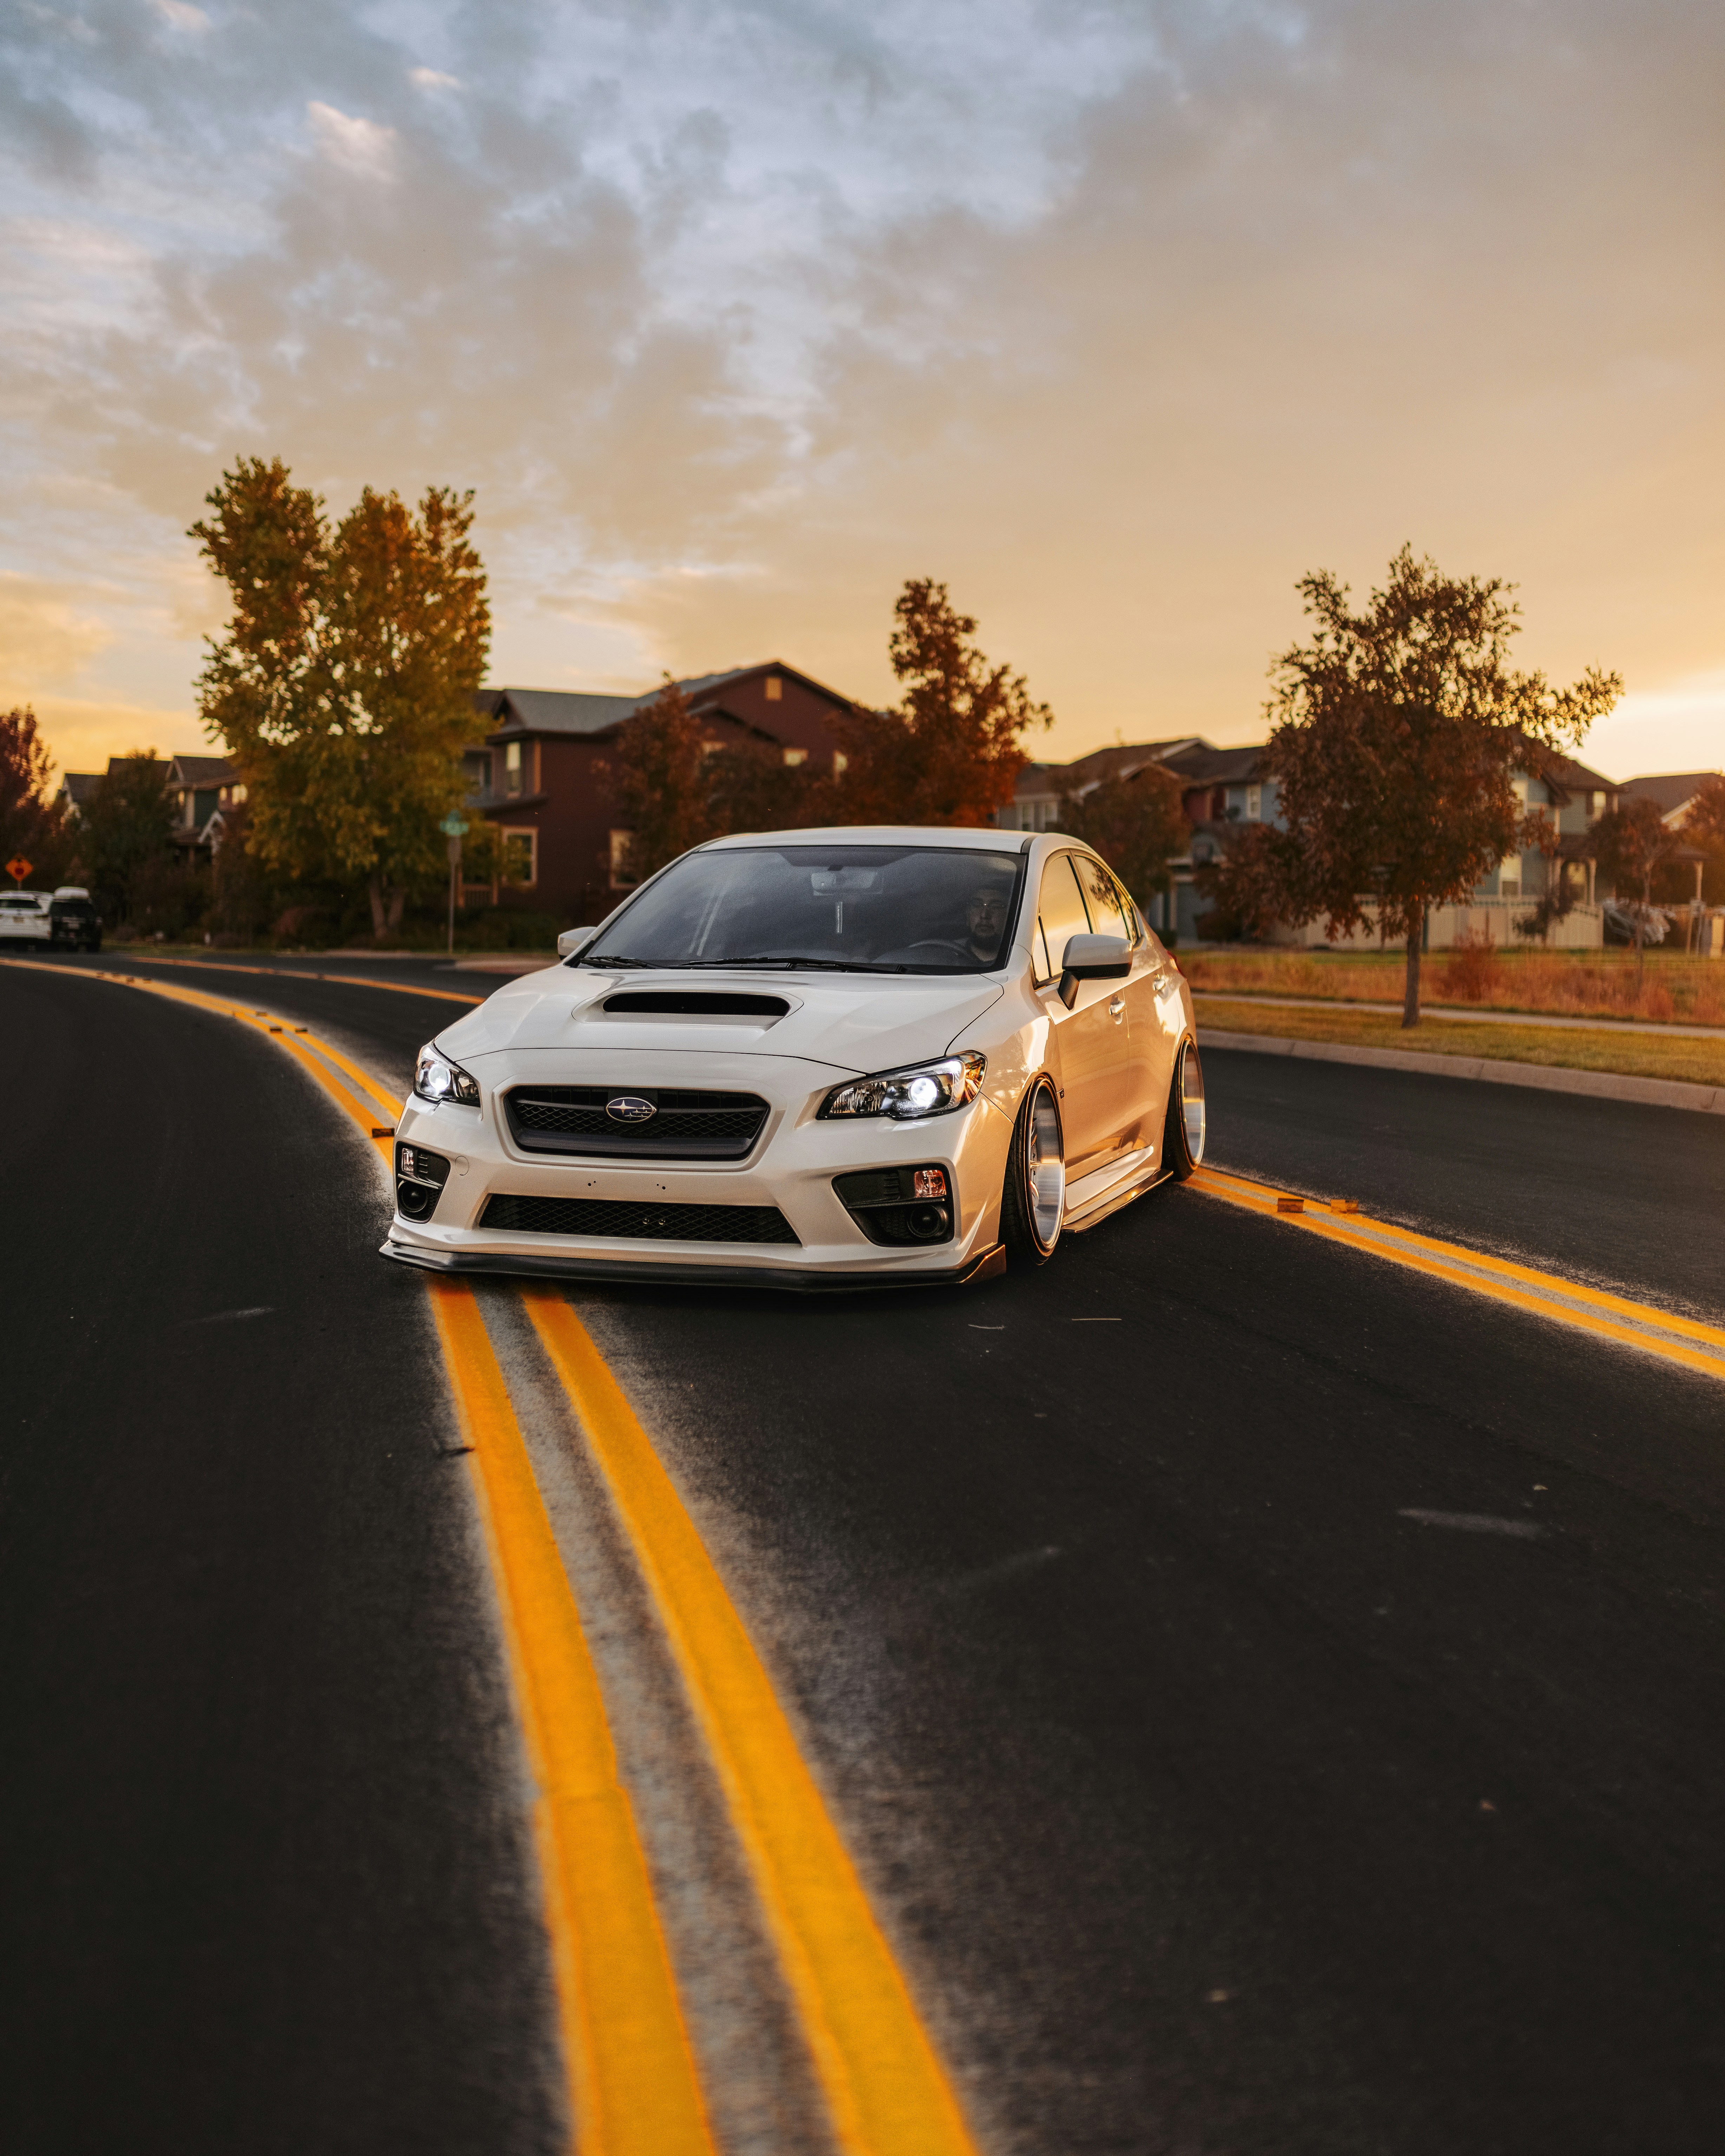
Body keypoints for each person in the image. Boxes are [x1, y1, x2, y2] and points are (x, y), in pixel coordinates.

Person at [964, 883, 1011, 964]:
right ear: (968, 915)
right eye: (977, 905)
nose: (984, 915)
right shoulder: (946, 953)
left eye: (996, 906)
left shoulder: (1019, 959)